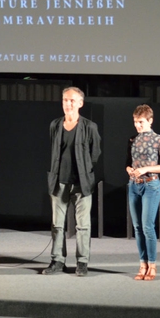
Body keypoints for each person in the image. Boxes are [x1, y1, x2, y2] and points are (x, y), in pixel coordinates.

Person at [43, 87, 102, 277]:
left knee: (83, 225)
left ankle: (82, 262)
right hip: (59, 182)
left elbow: (95, 153)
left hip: (82, 183)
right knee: (57, 225)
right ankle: (57, 260)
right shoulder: (55, 125)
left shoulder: (89, 127)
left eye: (71, 100)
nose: (68, 104)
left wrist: (84, 169)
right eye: (65, 100)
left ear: (80, 103)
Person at [126, 104, 160, 281]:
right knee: (137, 227)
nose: (138, 125)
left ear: (150, 121)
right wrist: (130, 170)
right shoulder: (132, 139)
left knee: (147, 226)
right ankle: (142, 263)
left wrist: (145, 169)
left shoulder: (159, 139)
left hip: (151, 185)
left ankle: (152, 264)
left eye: (141, 122)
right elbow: (127, 162)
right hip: (133, 185)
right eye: (136, 122)